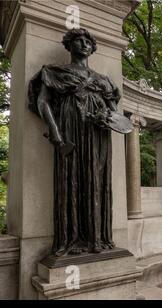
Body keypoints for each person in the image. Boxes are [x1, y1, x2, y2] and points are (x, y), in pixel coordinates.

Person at [28, 28, 126, 256]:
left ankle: (97, 238)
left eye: (87, 41)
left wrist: (107, 120)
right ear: (69, 46)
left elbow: (117, 117)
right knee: (70, 180)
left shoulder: (104, 81)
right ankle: (70, 239)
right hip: (69, 131)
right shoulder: (55, 72)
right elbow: (42, 102)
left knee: (97, 180)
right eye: (78, 41)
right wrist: (56, 134)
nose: (83, 44)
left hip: (98, 135)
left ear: (92, 48)